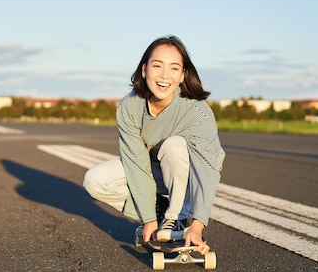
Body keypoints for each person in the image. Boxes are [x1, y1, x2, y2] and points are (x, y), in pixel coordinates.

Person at [83, 35, 225, 255]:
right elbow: (136, 163)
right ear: (144, 70)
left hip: (190, 173)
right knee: (95, 180)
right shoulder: (130, 106)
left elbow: (207, 170)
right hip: (153, 170)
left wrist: (197, 225)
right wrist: (148, 218)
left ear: (182, 75)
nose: (164, 75)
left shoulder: (197, 111)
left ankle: (177, 219)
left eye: (174, 68)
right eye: (157, 66)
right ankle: (161, 213)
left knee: (175, 145)